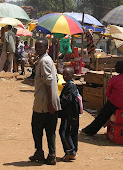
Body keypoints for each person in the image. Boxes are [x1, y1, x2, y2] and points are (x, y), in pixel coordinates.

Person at [81, 61, 123, 136]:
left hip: (115, 103)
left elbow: (108, 93)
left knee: (103, 115)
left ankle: (90, 131)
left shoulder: (114, 79)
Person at [29, 37, 61, 165]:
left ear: (46, 48)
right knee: (49, 129)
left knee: (38, 128)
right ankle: (48, 154)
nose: (37, 49)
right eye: (36, 46)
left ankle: (43, 152)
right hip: (48, 100)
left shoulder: (44, 61)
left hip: (44, 102)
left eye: (40, 47)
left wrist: (50, 103)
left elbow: (48, 83)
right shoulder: (46, 60)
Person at [59, 67, 79, 161]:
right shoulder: (71, 85)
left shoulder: (70, 87)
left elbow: (66, 100)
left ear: (72, 75)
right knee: (71, 133)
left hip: (69, 114)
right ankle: (73, 150)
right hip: (72, 114)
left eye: (67, 74)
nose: (64, 76)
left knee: (64, 132)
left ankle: (70, 151)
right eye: (63, 74)